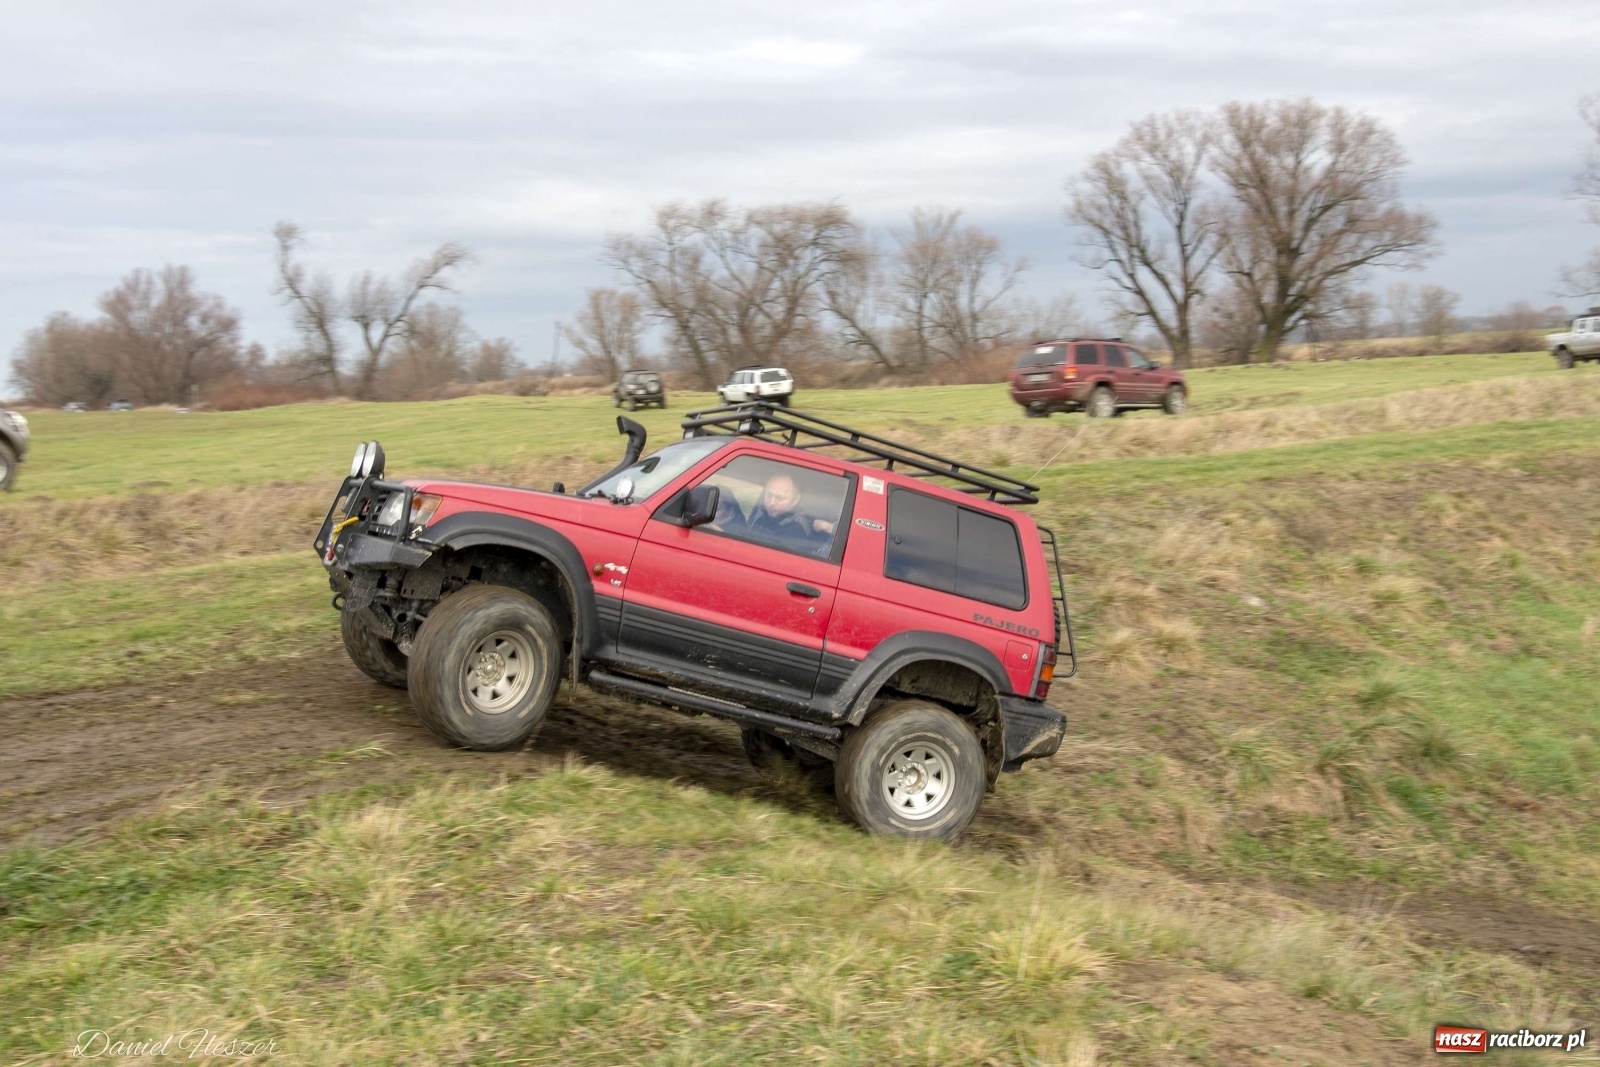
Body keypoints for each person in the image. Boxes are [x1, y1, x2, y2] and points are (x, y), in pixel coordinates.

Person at [747, 472, 832, 555]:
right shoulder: (763, 516)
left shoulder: (796, 530)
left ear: (795, 500)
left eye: (780, 498)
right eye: (769, 495)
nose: (771, 502)